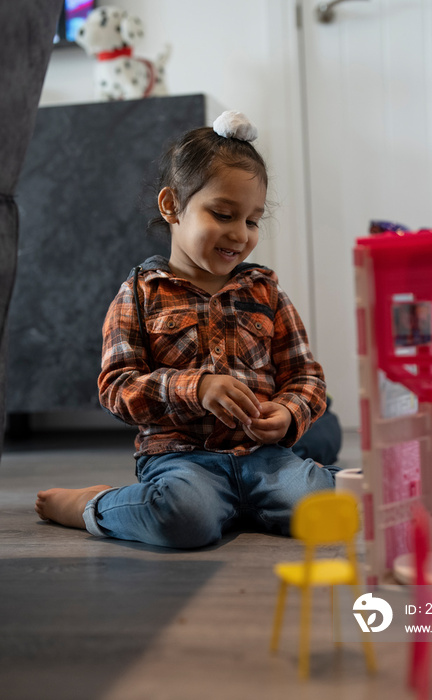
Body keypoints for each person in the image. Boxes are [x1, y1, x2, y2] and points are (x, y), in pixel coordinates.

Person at [35, 110, 340, 549]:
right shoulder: (139, 294)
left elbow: (306, 376)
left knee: (327, 504)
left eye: (252, 221)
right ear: (172, 205)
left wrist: (291, 412)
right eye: (223, 214)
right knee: (184, 519)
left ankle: (253, 500)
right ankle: (94, 505)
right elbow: (117, 388)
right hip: (181, 460)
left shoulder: (267, 294)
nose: (240, 234)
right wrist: (194, 389)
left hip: (263, 457)